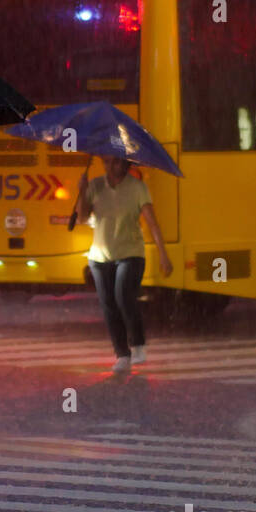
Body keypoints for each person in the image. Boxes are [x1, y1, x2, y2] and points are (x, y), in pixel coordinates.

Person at [76, 156, 173, 373]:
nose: (111, 166)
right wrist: (82, 191)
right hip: (100, 258)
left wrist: (163, 254)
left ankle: (137, 344)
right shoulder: (95, 185)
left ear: (127, 165)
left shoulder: (138, 188)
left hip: (130, 254)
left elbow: (152, 223)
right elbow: (82, 218)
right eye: (107, 162)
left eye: (117, 162)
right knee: (108, 306)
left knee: (123, 296)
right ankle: (122, 355)